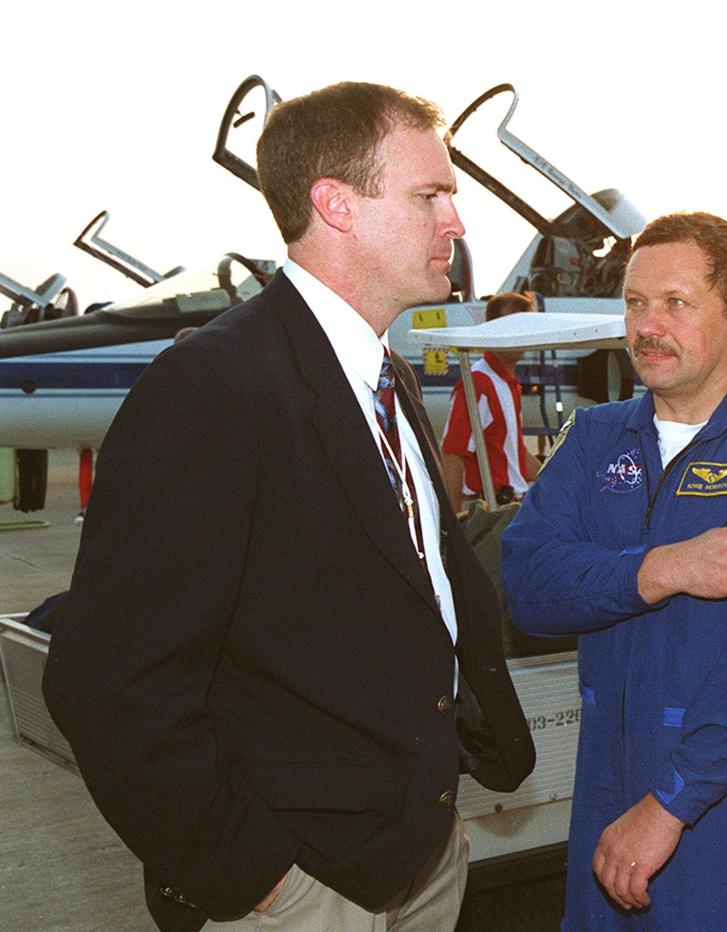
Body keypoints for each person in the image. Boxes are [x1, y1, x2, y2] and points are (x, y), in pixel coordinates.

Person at [42, 82, 534, 932]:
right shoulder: (216, 384)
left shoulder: (382, 378)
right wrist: (261, 881)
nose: (455, 221)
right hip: (303, 886)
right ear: (336, 205)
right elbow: (108, 682)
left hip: (419, 855)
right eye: (430, 195)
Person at [503, 212, 727, 929]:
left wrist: (669, 802)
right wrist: (664, 568)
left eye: (676, 303)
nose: (647, 326)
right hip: (606, 822)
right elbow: (528, 587)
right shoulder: (595, 440)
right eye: (635, 303)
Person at [441, 290, 540, 510]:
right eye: (509, 327)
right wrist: (454, 520)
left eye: (523, 328)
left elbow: (513, 452)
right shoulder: (480, 382)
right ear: (491, 329)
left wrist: (556, 478)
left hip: (508, 505)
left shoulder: (507, 383)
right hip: (489, 510)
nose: (518, 336)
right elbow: (452, 453)